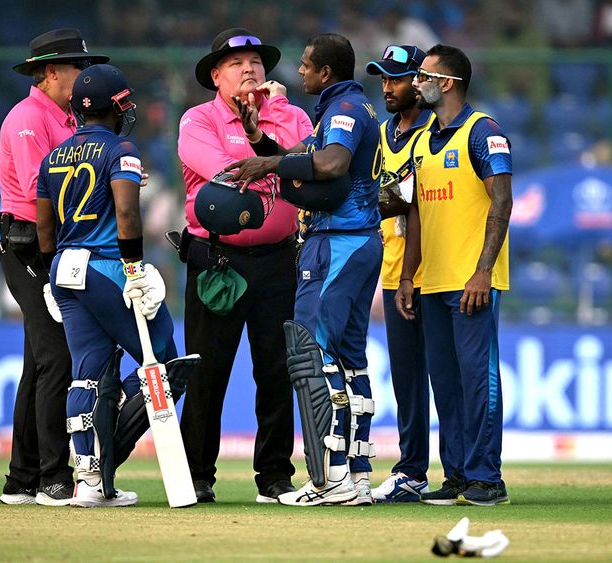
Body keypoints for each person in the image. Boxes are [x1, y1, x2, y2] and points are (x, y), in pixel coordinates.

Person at [228, 33, 383, 506]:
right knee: (350, 360)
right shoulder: (353, 107)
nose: (298, 73)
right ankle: (355, 473)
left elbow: (331, 164)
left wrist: (268, 162)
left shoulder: (342, 112)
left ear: (326, 73)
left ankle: (329, 479)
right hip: (360, 243)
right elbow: (302, 159)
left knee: (311, 354)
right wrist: (260, 140)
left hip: (336, 243)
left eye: (305, 65)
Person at [36, 63, 197, 507]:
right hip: (106, 266)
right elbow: (127, 214)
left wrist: (53, 275)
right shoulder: (122, 148)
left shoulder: (52, 157)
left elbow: (44, 229)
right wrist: (135, 267)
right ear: (114, 107)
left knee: (86, 371)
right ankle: (107, 447)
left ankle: (88, 481)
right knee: (163, 356)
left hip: (64, 269)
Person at [176, 28, 313, 504]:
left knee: (277, 371)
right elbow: (224, 174)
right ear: (216, 75)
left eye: (255, 62)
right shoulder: (197, 119)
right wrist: (277, 163)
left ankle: (275, 476)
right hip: (216, 261)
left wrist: (266, 149)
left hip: (279, 260)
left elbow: (315, 165)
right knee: (207, 371)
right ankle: (197, 475)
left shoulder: (293, 115)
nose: (249, 68)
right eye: (235, 63)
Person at [395, 44, 513, 506]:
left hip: (472, 283)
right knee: (444, 384)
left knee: (477, 380)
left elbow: (501, 201)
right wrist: (408, 276)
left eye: (423, 74)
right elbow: (417, 214)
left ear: (446, 83)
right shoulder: (423, 140)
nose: (416, 80)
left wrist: (483, 271)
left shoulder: (484, 131)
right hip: (432, 282)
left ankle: (488, 478)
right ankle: (458, 475)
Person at [0, 28, 108, 506]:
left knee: (37, 363)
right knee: (56, 358)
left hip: (52, 244)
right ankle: (53, 477)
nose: (84, 76)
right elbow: (39, 185)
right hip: (27, 245)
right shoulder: (27, 117)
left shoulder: (63, 118)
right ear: (50, 72)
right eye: (77, 68)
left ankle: (20, 479)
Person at [364, 45, 434, 503]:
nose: (388, 86)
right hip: (393, 272)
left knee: (448, 380)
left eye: (398, 77)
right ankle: (412, 471)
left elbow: (413, 200)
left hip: (438, 271)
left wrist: (383, 197)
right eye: (383, 78)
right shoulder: (381, 133)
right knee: (407, 379)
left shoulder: (436, 132)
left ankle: (470, 472)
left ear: (421, 82)